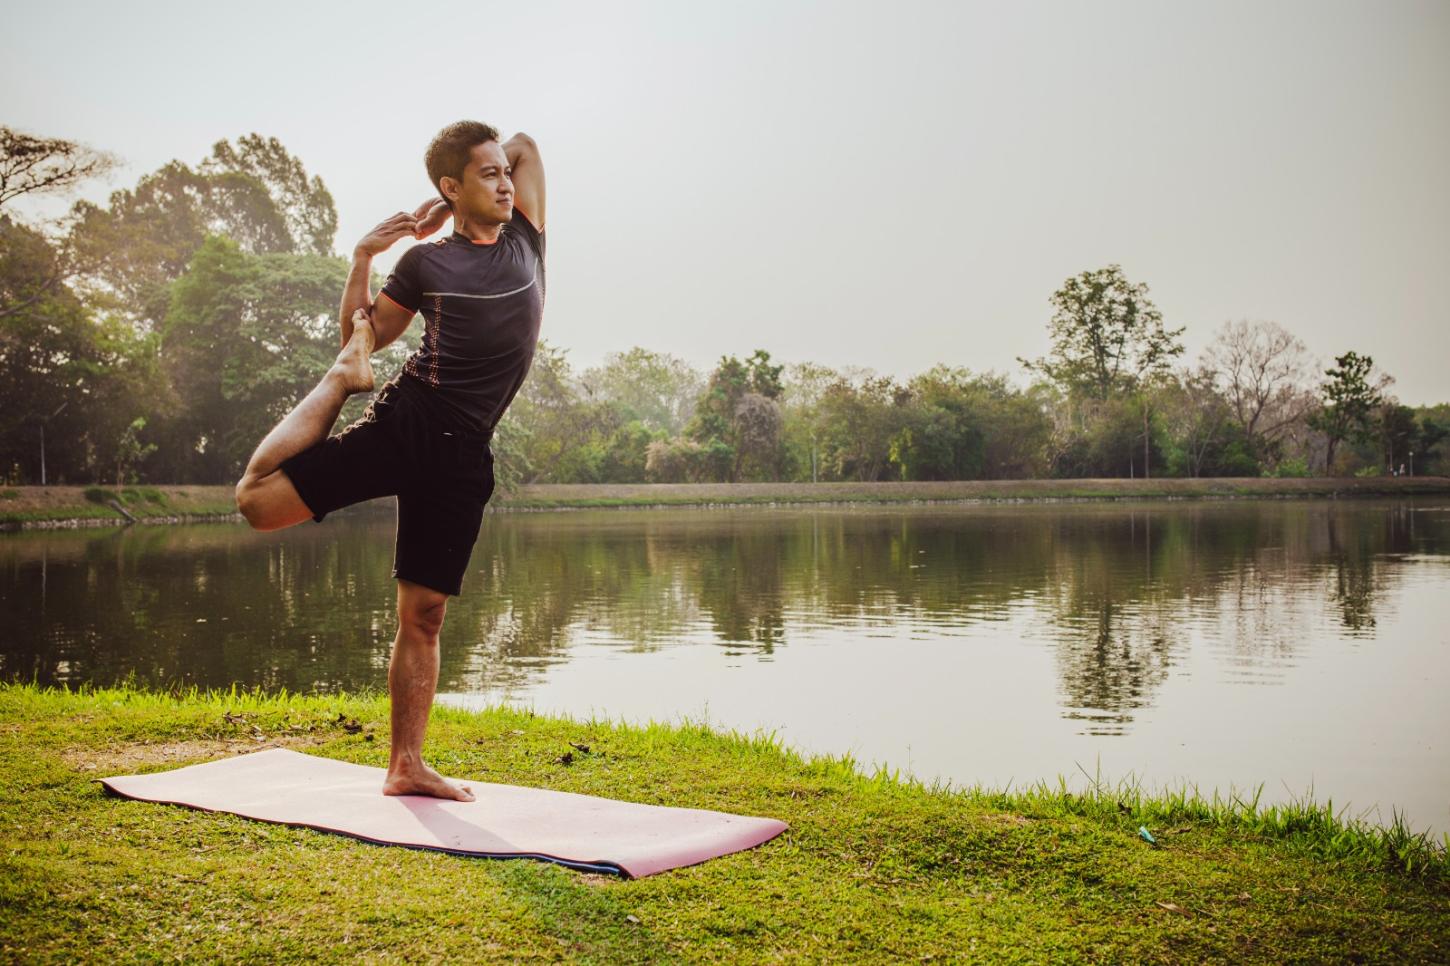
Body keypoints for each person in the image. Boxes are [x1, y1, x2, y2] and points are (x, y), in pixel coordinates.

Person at [234, 121, 546, 801]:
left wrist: (460, 187)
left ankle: (406, 764)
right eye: (486, 175)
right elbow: (365, 334)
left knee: (426, 614)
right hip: (408, 423)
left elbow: (524, 142)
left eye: (503, 174)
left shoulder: (527, 237)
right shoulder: (426, 264)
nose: (504, 181)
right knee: (258, 505)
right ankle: (334, 387)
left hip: (463, 456)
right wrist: (363, 257)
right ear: (453, 185)